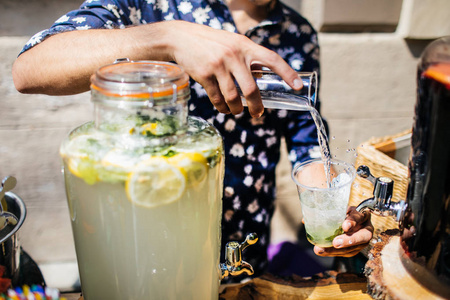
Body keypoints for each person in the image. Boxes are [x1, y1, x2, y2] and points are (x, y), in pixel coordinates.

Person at [12, 0, 373, 280]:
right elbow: (30, 69)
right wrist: (167, 37)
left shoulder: (297, 31)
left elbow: (306, 139)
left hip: (243, 253)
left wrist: (334, 212)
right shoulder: (151, 6)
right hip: (150, 245)